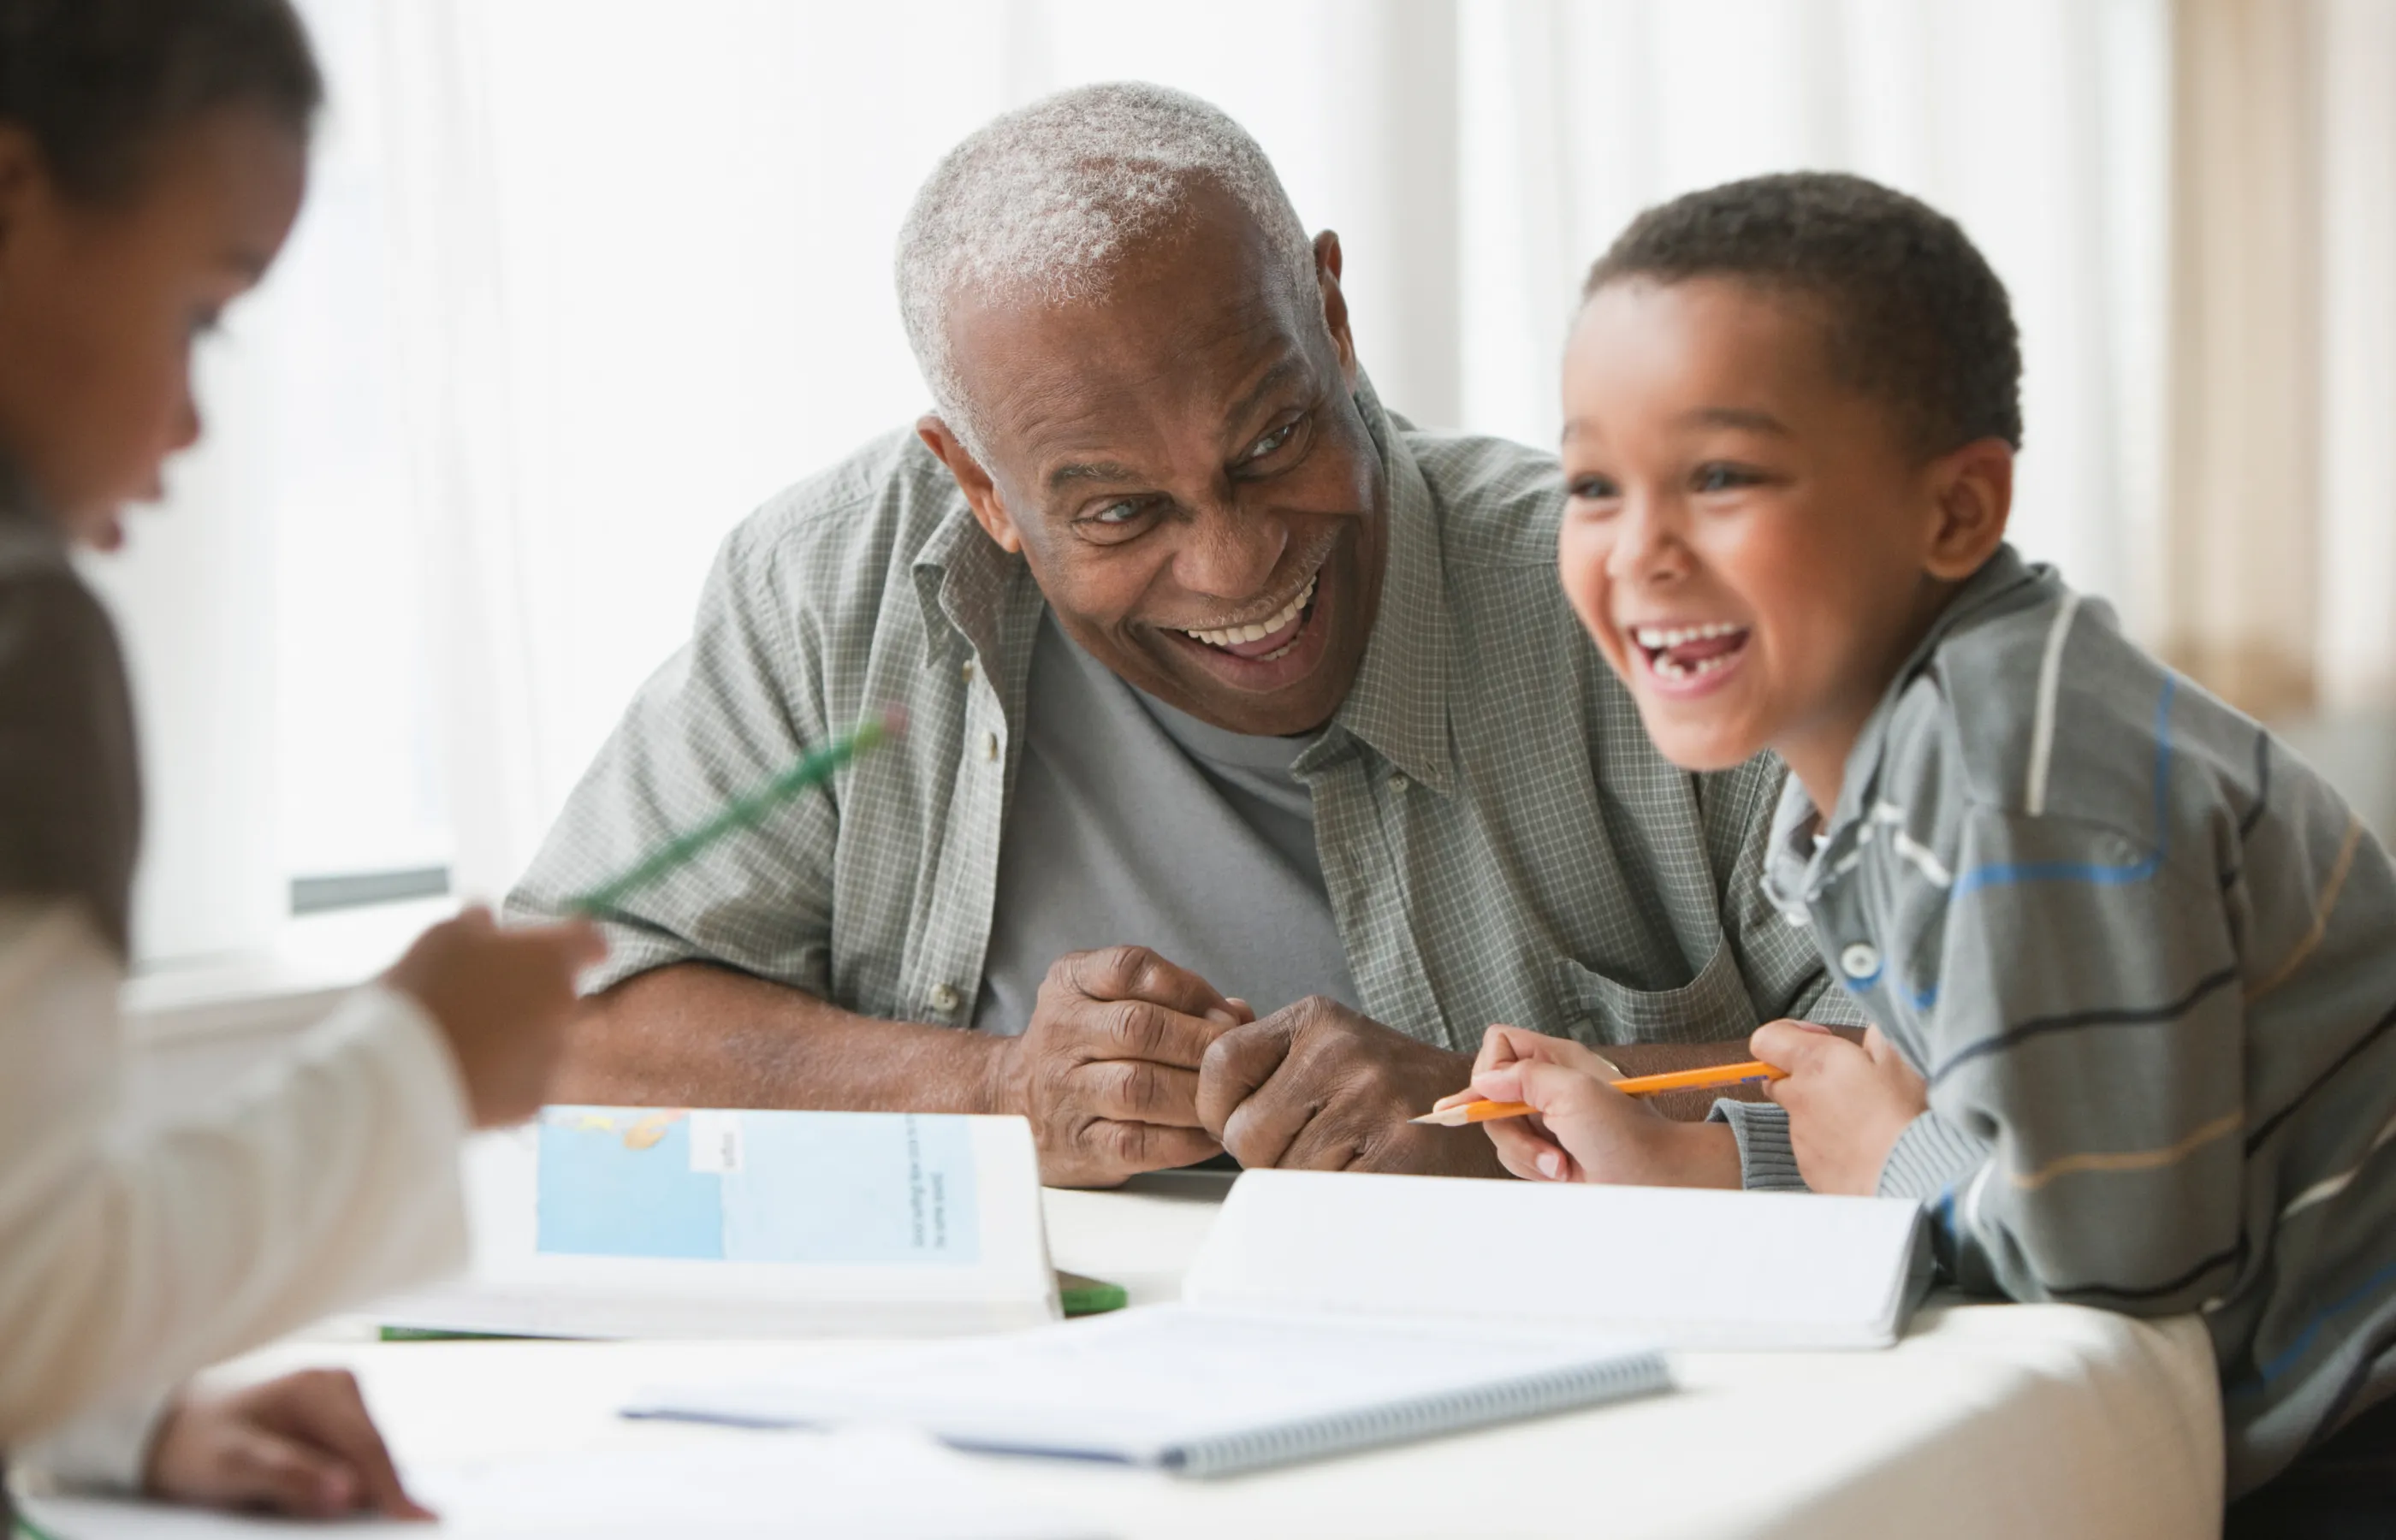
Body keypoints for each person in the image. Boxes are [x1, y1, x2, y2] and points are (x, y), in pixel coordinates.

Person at [507, 82, 1864, 1191]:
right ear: (977, 482)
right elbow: (559, 1032)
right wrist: (991, 1096)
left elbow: (1957, 1109)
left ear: (1330, 314)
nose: (1235, 563)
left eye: (1273, 440)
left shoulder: (1651, 610)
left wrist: (1499, 1130)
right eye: (1119, 511)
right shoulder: (832, 593)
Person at [1463, 169, 2396, 1525]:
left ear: (1955, 512)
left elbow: (2110, 1273)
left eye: (1721, 477)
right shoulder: (1887, 766)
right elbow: (1995, 1134)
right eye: (1595, 483)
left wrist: (1880, 1161)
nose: (1639, 550)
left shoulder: (2016, 786)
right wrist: (1702, 1164)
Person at [0, 0, 602, 1522]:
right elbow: (21, 1304)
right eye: (202, 313)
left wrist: (115, 1418)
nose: (198, 420)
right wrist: (416, 1067)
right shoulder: (25, 638)